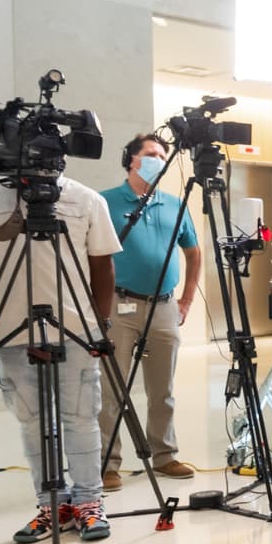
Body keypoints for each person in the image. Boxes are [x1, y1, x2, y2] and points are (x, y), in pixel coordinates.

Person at [0, 174, 120, 543]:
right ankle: (51, 504)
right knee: (32, 422)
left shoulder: (86, 200)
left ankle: (88, 501)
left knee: (81, 417)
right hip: (7, 330)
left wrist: (101, 325)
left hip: (76, 328)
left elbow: (102, 265)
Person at [95, 133, 202, 491]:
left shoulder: (174, 204)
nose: (158, 159)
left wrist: (186, 299)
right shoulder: (106, 202)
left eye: (162, 154)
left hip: (164, 306)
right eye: (151, 153)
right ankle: (108, 463)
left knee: (163, 389)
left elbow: (194, 252)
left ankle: (165, 455)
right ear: (131, 159)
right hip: (119, 306)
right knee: (112, 388)